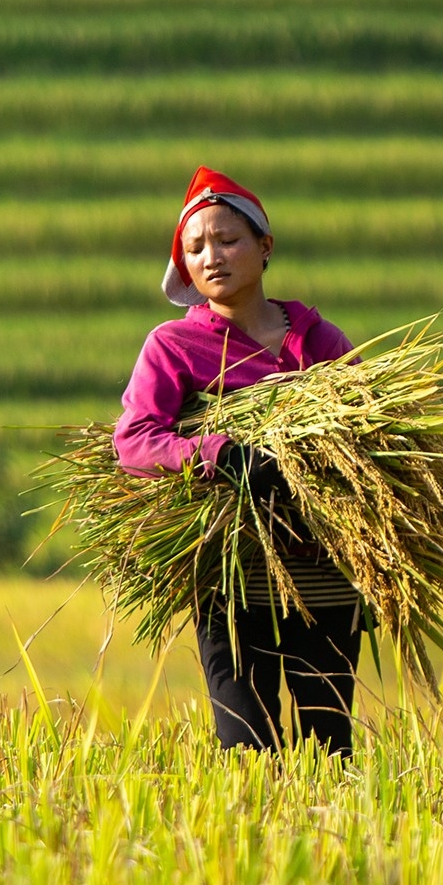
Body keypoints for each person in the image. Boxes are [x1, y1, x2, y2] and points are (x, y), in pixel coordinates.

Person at [114, 165, 365, 757]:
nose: (212, 257)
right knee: (246, 746)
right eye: (195, 248)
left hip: (321, 572)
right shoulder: (173, 345)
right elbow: (135, 440)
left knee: (328, 746)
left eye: (227, 240)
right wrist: (220, 455)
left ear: (264, 246)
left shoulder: (318, 339)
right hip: (230, 574)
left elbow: (366, 425)